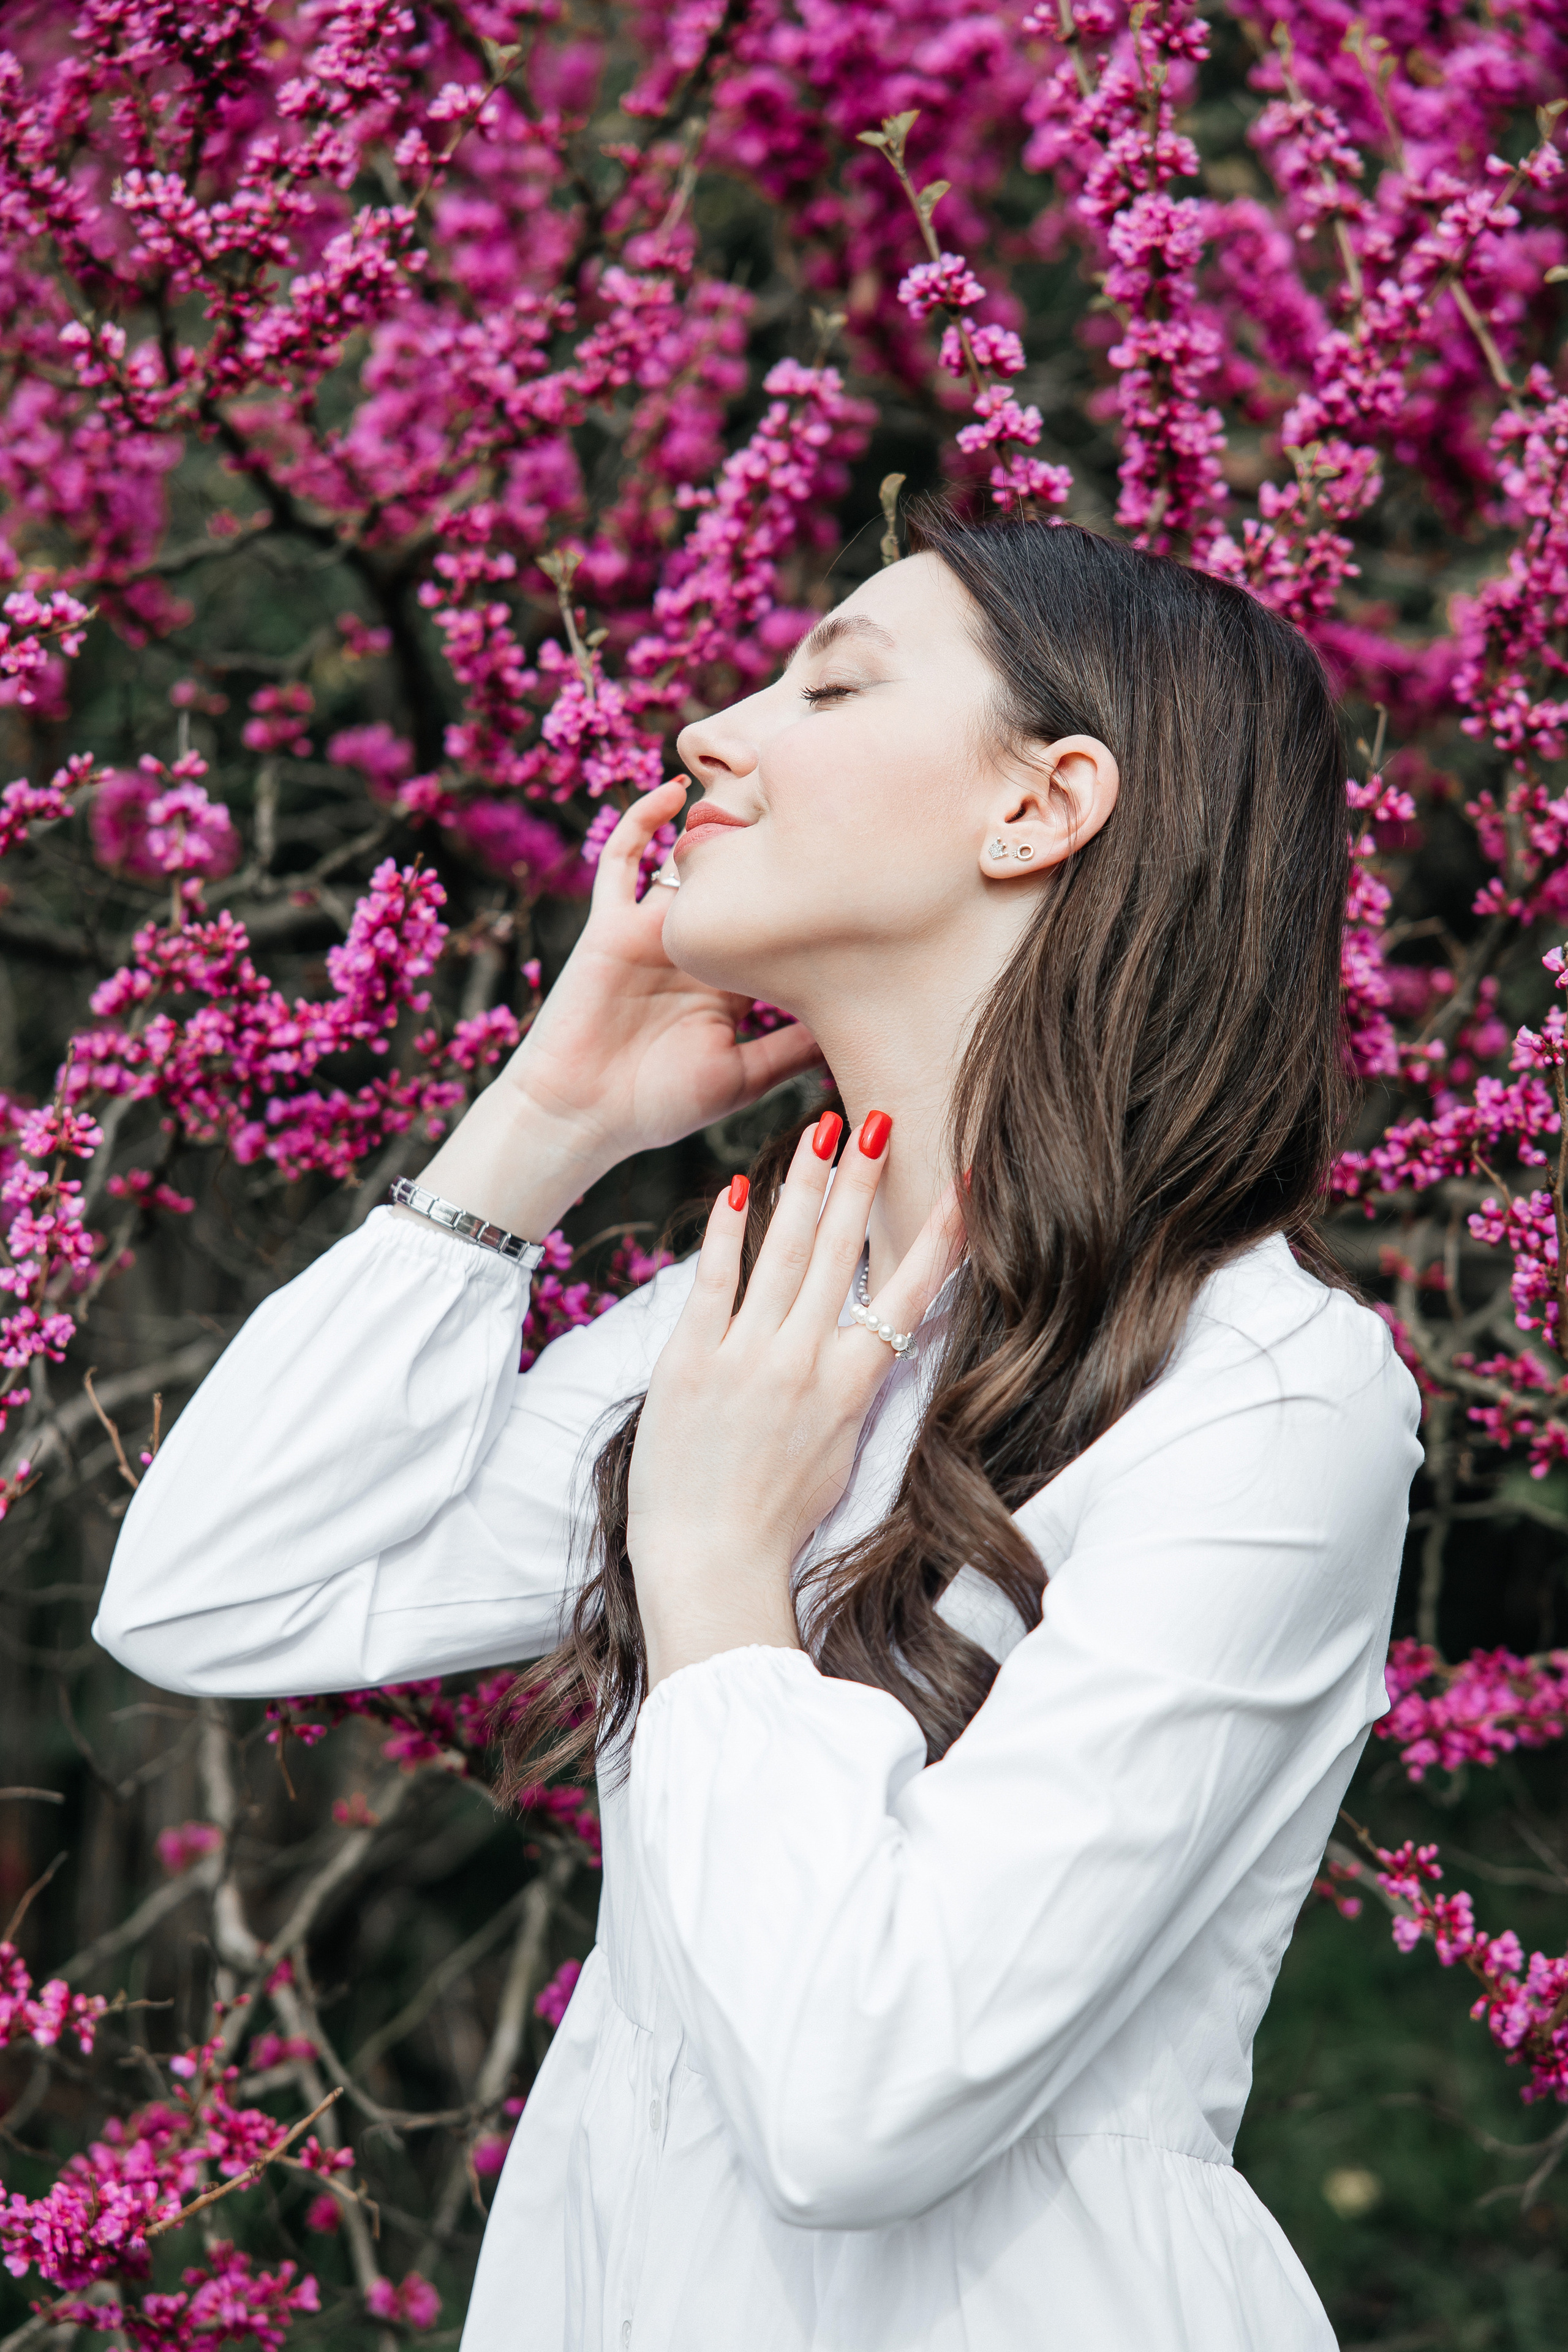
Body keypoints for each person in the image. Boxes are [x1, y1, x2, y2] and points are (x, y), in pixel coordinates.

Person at [94, 511, 1422, 2351]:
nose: (711, 732)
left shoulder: (1266, 1399)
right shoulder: (759, 1323)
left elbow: (858, 2107)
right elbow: (209, 1595)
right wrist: (545, 1123)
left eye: (833, 685)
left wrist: (715, 1572)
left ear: (1041, 806)